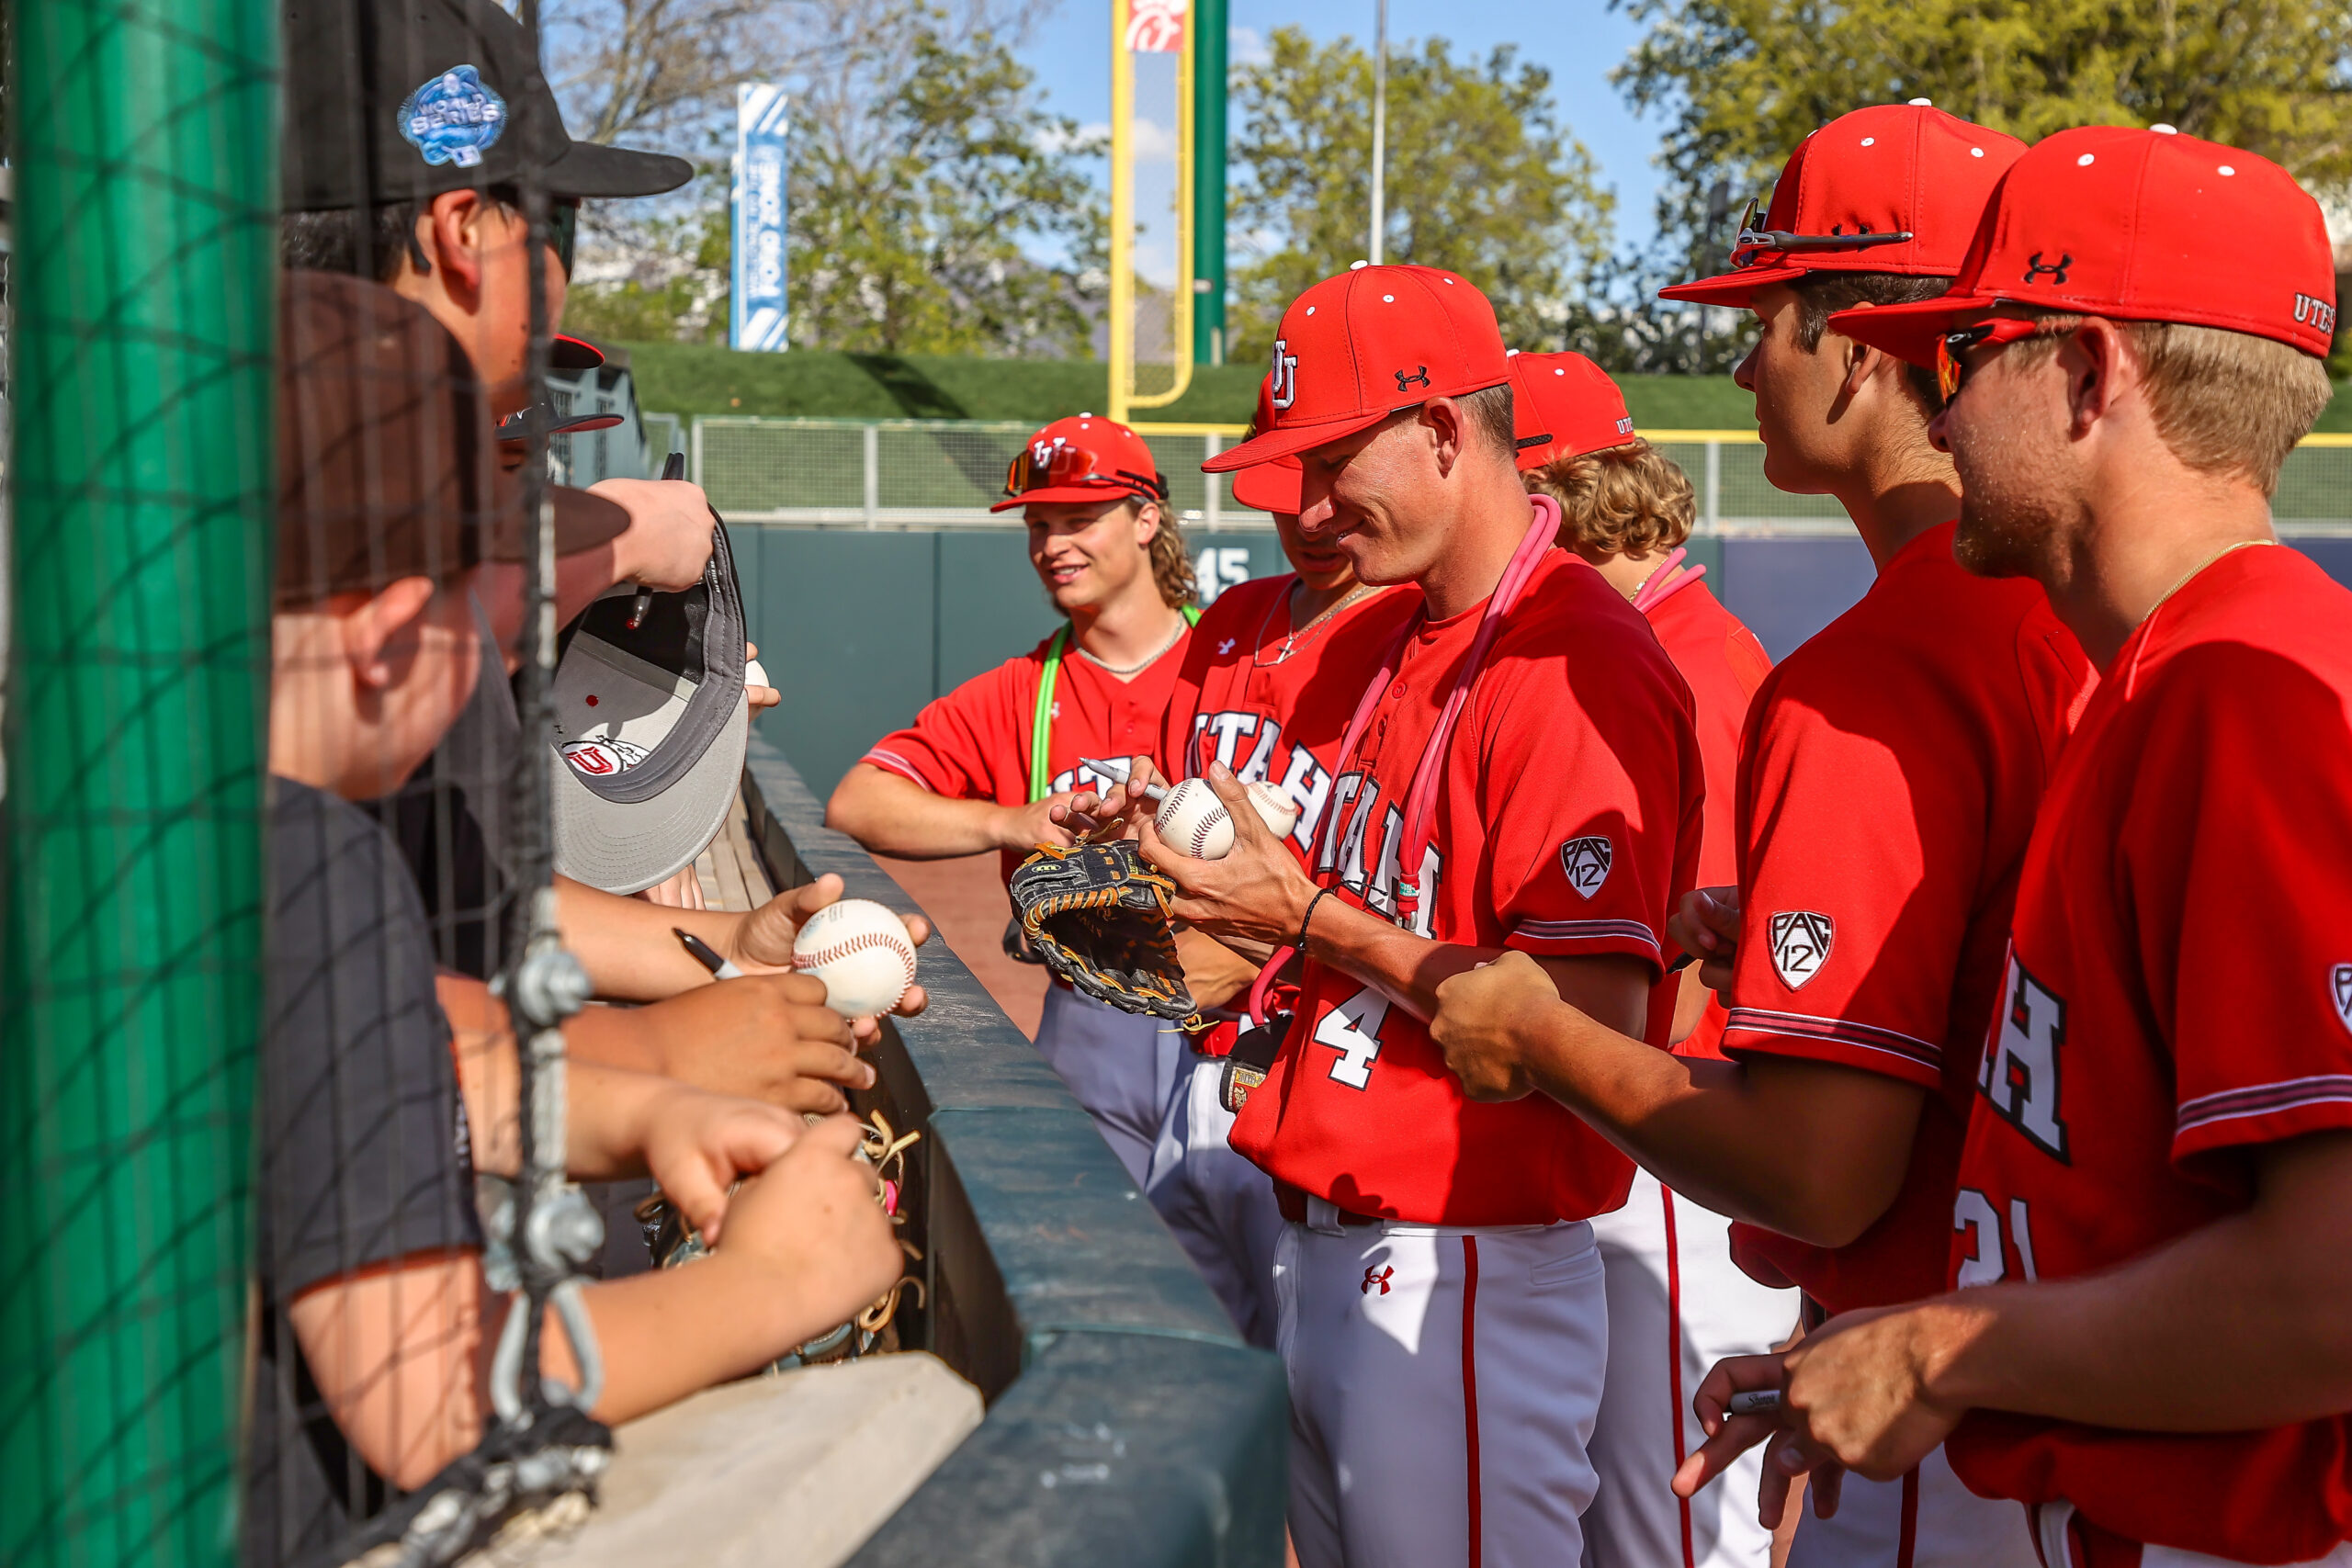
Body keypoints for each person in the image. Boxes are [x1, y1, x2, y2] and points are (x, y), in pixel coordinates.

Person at [1426, 102, 2091, 1568]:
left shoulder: (1878, 666)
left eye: (1765, 320)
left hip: (1943, 1393)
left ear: (1859, 345)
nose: (1737, 362)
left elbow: (1821, 1172)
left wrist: (1539, 1034)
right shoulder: (2081, 613)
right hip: (2076, 1353)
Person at [1678, 124, 2352, 1568]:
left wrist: (1941, 1346)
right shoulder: (2155, 673)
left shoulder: (2240, 690)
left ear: (2091, 373)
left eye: (1970, 348)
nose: (1940, 402)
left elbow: (2333, 1288)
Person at [249, 272, 903, 1562]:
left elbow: (388, 1064)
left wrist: (650, 1094)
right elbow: (429, 1393)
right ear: (392, 634)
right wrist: (765, 1283)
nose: (514, 661)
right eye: (489, 611)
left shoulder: (131, 813)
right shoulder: (313, 861)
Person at [1081, 264, 1704, 1568]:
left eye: (1328, 464)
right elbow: (1326, 920)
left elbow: (1584, 1027)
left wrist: (1308, 913)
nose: (1305, 510)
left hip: (1462, 1267)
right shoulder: (1392, 640)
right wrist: (1205, 892)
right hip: (1325, 1238)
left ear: (1439, 433)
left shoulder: (1575, 658)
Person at [279, 0, 926, 1125]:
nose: (566, 274)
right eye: (561, 226)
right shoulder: (264, 506)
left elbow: (471, 901)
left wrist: (726, 949)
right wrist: (619, 534)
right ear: (462, 233)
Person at [1510, 348, 1796, 1568]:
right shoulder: (1655, 637)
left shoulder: (1682, 659)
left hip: (1685, 1138)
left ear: (1567, 496)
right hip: (1655, 1127)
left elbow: (1713, 938)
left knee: (1675, 1527)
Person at [826, 413, 1199, 1183]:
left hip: (1241, 1016)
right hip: (1094, 1017)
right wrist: (1010, 821)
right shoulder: (1019, 691)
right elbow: (858, 801)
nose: (1052, 545)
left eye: (1079, 519)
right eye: (1038, 524)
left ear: (1147, 519)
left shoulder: (1236, 659)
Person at [1137, 374, 1419, 1348]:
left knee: (1312, 1406)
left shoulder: (1410, 635)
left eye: (1329, 473)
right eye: (1287, 474)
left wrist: (1267, 958)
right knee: (1195, 1386)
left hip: (1323, 1073)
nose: (1306, 512)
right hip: (1196, 1065)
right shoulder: (1228, 621)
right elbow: (1174, 802)